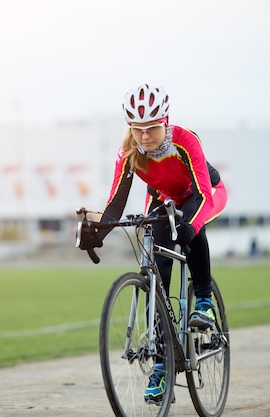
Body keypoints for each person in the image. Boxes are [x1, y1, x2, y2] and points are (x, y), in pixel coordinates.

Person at [77, 84, 227, 404]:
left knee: (192, 229)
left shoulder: (186, 141)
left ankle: (203, 303)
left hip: (203, 193)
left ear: (166, 121)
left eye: (152, 128)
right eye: (137, 129)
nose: (144, 136)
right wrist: (97, 234)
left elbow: (201, 195)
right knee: (156, 267)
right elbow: (115, 206)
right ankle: (161, 364)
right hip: (163, 200)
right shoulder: (129, 151)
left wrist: (189, 225)